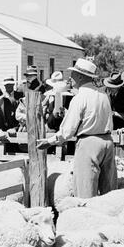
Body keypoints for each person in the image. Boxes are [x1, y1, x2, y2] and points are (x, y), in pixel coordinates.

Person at [37, 58, 117, 199]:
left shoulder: (80, 98)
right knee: (109, 196)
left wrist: (50, 141)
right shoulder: (104, 96)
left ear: (80, 76)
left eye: (73, 74)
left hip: (88, 144)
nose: (70, 78)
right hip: (107, 143)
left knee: (85, 194)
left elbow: (67, 131)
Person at [15, 66, 46, 131]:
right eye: (27, 75)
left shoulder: (41, 87)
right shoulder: (23, 86)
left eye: (30, 75)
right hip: (25, 113)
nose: (27, 77)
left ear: (35, 75)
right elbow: (19, 100)